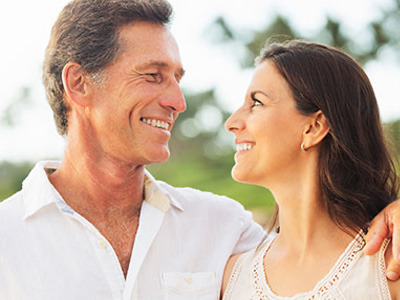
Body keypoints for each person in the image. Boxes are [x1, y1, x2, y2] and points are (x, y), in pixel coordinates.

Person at [0, 0, 398, 299]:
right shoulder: (6, 238)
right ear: (79, 84)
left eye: (177, 78)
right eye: (153, 76)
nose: (178, 101)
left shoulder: (225, 229)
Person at [221, 40, 400, 299]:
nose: (232, 123)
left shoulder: (388, 268)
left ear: (314, 127)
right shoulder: (233, 277)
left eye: (257, 103)